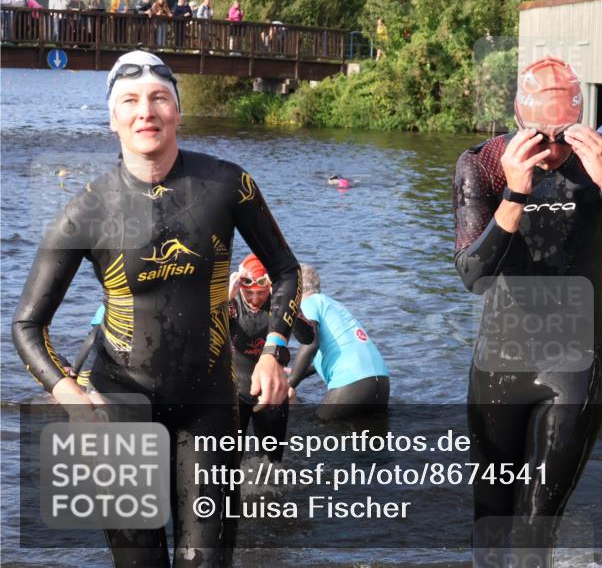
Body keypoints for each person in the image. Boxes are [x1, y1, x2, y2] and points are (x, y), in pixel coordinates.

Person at [11, 50, 301, 567]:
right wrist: (68, 391)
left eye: (159, 98)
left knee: (205, 561)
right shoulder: (87, 209)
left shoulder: (228, 183)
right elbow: (28, 325)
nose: (146, 111)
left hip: (209, 406)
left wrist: (273, 350)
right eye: (130, 100)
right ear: (113, 118)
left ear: (177, 112)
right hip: (120, 410)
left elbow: (285, 271)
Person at [452, 56, 602, 566]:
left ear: (581, 119)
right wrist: (514, 192)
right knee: (491, 516)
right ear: (518, 117)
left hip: (574, 364)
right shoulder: (483, 162)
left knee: (535, 525)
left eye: (564, 134)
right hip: (499, 364)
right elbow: (472, 276)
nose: (552, 150)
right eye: (541, 135)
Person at [228, 253, 314, 462]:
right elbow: (202, 332)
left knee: (272, 463)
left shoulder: (277, 305)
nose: (255, 299)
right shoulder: (232, 303)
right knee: (228, 461)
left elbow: (308, 336)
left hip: (271, 393)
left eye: (261, 293)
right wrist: (225, 298)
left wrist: (284, 301)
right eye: (249, 294)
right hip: (235, 391)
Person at [288, 264, 389, 420]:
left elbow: (310, 344)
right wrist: (297, 373)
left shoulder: (308, 303)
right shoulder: (334, 305)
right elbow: (333, 352)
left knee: (316, 429)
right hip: (381, 381)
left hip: (352, 381)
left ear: (296, 289)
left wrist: (289, 384)